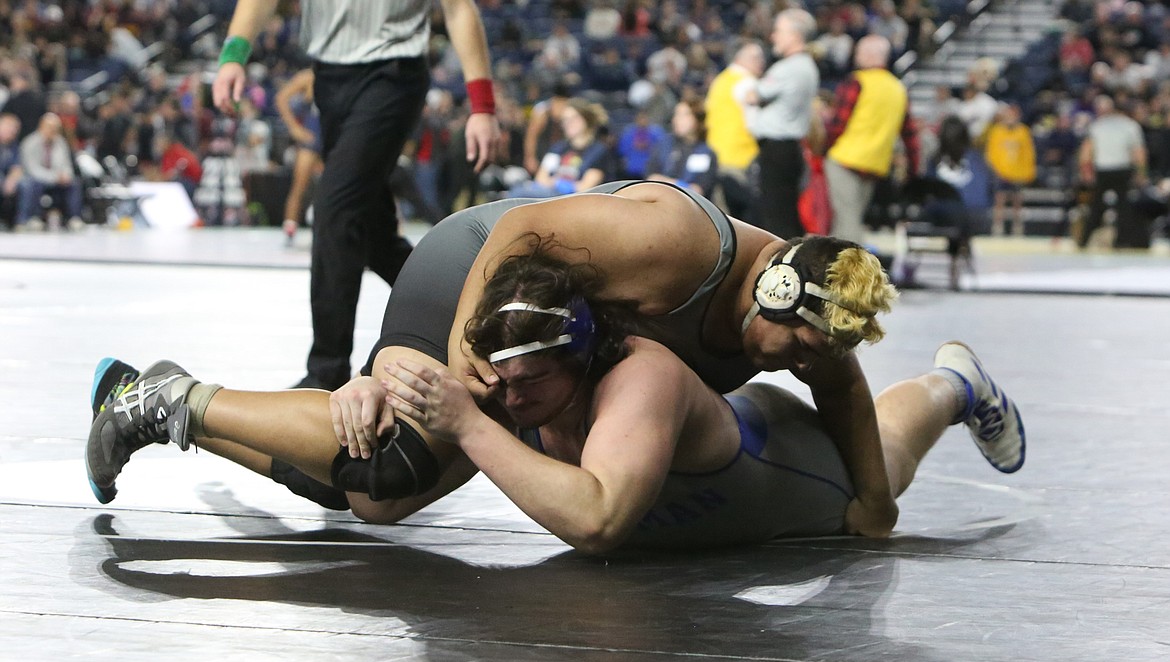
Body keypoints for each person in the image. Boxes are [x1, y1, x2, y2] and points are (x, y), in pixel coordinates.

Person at [90, 179, 905, 537]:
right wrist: (457, 356)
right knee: (404, 451)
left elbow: (846, 397)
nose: (802, 361)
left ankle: (162, 402)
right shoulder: (678, 245)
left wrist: (877, 502)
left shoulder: (811, 324)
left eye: (817, 351)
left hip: (537, 321)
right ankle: (176, 398)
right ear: (774, 282)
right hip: (483, 265)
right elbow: (521, 232)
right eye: (799, 340)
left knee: (373, 495)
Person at [212, 0, 501, 391]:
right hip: (329, 78)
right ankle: (476, 310)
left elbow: (457, 8)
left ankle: (325, 373)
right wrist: (234, 53)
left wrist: (482, 107)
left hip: (392, 73)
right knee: (372, 233)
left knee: (334, 208)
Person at [823, 35, 919, 245]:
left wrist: (823, 150)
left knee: (847, 224)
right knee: (852, 219)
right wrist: (913, 169)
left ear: (868, 55)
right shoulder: (898, 88)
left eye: (858, 52)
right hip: (874, 166)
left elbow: (837, 124)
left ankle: (853, 272)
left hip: (843, 160)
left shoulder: (857, 82)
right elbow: (910, 135)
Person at [745, 8, 819, 237]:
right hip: (789, 148)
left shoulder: (788, 67)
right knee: (784, 215)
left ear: (795, 36)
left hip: (778, 150)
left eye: (778, 31)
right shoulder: (807, 66)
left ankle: (784, 270)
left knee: (777, 220)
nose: (773, 36)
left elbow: (751, 95)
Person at [1076, 94, 1148, 249]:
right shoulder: (1131, 126)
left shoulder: (1097, 126)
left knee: (1096, 207)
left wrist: (1086, 172)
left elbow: (1086, 152)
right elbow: (1139, 153)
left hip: (1102, 170)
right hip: (1122, 170)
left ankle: (1084, 241)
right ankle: (1122, 241)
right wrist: (1141, 173)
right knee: (1124, 207)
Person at [704, 41, 765, 220]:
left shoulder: (720, 80)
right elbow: (755, 124)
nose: (761, 61)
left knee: (722, 217)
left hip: (717, 155)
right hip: (742, 158)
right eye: (755, 57)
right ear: (739, 58)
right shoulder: (747, 83)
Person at [505, 99, 611, 198]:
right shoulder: (558, 148)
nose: (568, 123)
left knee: (520, 193)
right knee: (517, 189)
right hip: (551, 197)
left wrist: (556, 183)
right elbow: (541, 178)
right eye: (565, 120)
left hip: (577, 201)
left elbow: (585, 188)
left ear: (586, 120)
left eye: (573, 118)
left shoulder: (598, 151)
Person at [273, 68, 324, 245]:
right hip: (314, 133)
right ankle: (289, 229)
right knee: (299, 185)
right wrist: (294, 128)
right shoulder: (310, 76)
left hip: (335, 135)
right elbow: (281, 98)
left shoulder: (348, 74)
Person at [16, 112, 84, 231]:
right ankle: (30, 218)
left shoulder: (61, 142)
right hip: (37, 179)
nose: (52, 130)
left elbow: (66, 164)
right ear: (41, 126)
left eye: (55, 128)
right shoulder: (29, 142)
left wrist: (66, 175)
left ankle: (74, 218)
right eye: (49, 127)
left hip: (57, 180)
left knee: (74, 183)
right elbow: (32, 169)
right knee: (30, 184)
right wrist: (55, 177)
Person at [645, 97, 718, 196]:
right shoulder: (664, 145)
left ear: (697, 118)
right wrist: (682, 186)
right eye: (676, 115)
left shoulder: (706, 152)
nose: (676, 120)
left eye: (683, 115)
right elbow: (651, 178)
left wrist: (668, 182)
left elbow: (698, 190)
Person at [984, 103, 1036, 237]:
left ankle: (1017, 226)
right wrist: (997, 170)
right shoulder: (997, 131)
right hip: (1001, 172)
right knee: (999, 199)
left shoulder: (1023, 131)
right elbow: (991, 153)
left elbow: (1028, 153)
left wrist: (1028, 171)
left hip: (1018, 172)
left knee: (1017, 200)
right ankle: (997, 226)